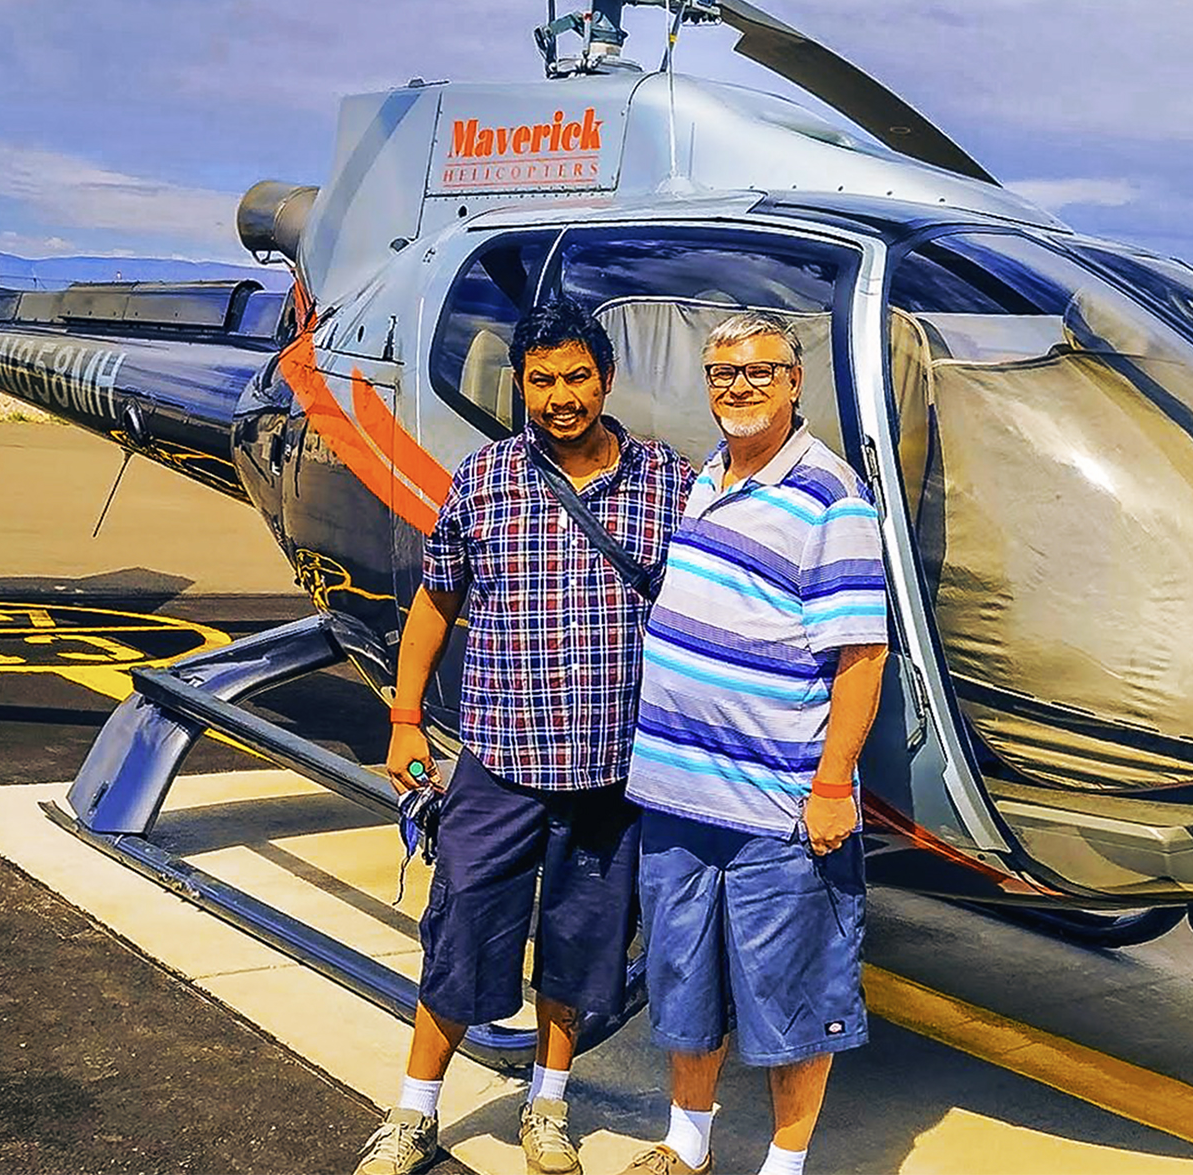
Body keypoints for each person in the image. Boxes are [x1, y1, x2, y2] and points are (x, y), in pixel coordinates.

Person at [355, 297, 695, 1175]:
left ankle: (548, 1105)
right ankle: (414, 1113)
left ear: (607, 380)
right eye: (541, 381)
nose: (560, 397)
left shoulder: (669, 481)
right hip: (500, 761)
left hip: (614, 772)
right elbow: (437, 598)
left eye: (576, 377)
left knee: (582, 949)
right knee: (462, 926)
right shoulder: (485, 478)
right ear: (521, 386)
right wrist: (403, 718)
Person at [619, 312, 891, 1175]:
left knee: (793, 993)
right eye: (722, 373)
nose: (738, 388)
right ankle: (686, 1144)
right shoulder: (708, 476)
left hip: (773, 805)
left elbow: (861, 655)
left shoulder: (831, 496)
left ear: (795, 379)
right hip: (675, 798)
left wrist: (833, 784)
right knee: (683, 981)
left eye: (758, 372)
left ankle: (784, 1165)